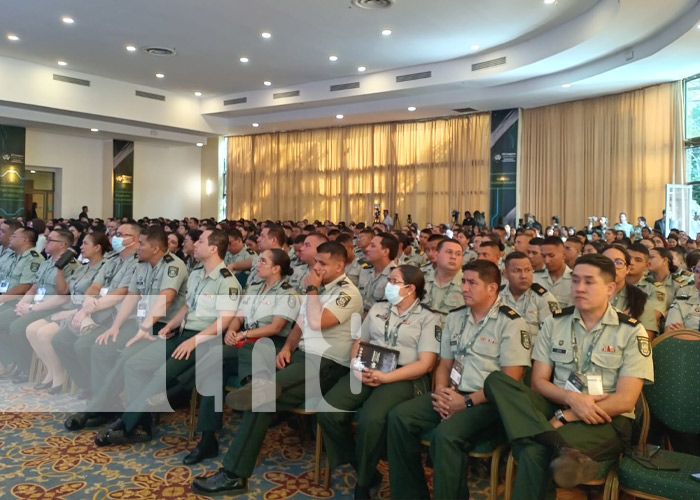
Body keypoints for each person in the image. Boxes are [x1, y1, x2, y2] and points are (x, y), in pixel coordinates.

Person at [192, 241, 363, 495]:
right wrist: (287, 348)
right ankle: (234, 471)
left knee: (262, 398)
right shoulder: (319, 289)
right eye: (315, 262)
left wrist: (312, 289)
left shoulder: (347, 293)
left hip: (325, 364)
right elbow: (300, 324)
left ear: (340, 266)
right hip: (301, 357)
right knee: (263, 398)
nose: (316, 267)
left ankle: (233, 474)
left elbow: (317, 322)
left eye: (323, 264)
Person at [484, 253, 654, 499]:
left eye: (589, 282)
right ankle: (561, 446)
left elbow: (626, 400)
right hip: (556, 404)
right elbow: (538, 382)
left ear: (610, 288)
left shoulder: (630, 331)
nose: (579, 288)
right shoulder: (555, 322)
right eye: (575, 281)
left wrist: (569, 413)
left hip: (605, 418)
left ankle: (547, 441)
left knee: (533, 452)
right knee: (496, 381)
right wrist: (569, 401)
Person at [387, 260, 531, 499]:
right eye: (463, 281)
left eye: (472, 283)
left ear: (492, 288)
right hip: (453, 394)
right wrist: (442, 393)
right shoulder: (456, 317)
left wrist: (465, 403)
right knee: (399, 418)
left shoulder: (512, 323)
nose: (463, 288)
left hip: (489, 403)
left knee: (446, 436)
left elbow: (510, 381)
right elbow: (444, 364)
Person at [96, 229, 241, 446]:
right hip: (182, 335)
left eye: (200, 241)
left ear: (213, 248)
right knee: (135, 364)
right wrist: (171, 325)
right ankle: (142, 423)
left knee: (160, 376)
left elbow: (224, 321)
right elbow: (187, 306)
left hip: (205, 340)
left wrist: (194, 341)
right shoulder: (196, 273)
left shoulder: (227, 281)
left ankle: (126, 424)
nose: (195, 245)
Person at [318, 265, 439, 499]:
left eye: (394, 281)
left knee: (371, 418)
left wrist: (386, 377)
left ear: (410, 288)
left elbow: (425, 364)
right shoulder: (378, 307)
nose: (387, 285)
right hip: (366, 367)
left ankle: (363, 482)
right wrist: (355, 367)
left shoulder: (428, 317)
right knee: (329, 409)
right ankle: (363, 466)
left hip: (403, 375)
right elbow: (359, 341)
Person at [182, 248, 301, 464]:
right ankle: (208, 439)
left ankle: (249, 386)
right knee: (213, 369)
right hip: (244, 342)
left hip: (269, 345)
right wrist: (231, 331)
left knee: (223, 356)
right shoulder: (254, 287)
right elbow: (239, 316)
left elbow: (275, 327)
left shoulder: (288, 294)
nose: (258, 264)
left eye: (263, 261)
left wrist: (243, 334)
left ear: (276, 268)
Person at [54, 223, 141, 404]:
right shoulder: (112, 259)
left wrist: (88, 308)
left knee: (85, 346)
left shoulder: (137, 262)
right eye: (114, 233)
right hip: (99, 312)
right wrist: (89, 299)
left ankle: (105, 399)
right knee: (60, 339)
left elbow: (122, 292)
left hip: (120, 317)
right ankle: (88, 385)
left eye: (120, 234)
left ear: (134, 239)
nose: (114, 237)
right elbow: (95, 284)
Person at [25, 232, 109, 393]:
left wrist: (74, 312)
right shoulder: (83, 267)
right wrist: (60, 269)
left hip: (83, 312)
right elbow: (63, 290)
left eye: (85, 244)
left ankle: (60, 376)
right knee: (31, 329)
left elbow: (95, 297)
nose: (81, 247)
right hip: (70, 308)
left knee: (44, 333)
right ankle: (52, 371)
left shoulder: (104, 268)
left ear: (98, 248)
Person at [0, 228, 75, 382]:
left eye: (50, 240)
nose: (45, 242)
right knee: (10, 320)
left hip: (51, 307)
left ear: (62, 244)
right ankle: (14, 361)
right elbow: (34, 287)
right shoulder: (47, 262)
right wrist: (22, 304)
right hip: (35, 305)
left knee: (17, 326)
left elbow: (63, 296)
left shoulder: (70, 265)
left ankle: (24, 367)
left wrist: (32, 308)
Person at [602, 245, 660, 339]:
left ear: (628, 269)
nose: (612, 267)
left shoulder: (639, 299)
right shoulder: (583, 293)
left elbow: (646, 338)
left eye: (618, 262)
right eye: (606, 261)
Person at [500, 251, 558, 343]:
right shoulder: (496, 297)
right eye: (517, 271)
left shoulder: (544, 298)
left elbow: (552, 336)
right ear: (505, 273)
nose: (523, 276)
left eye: (527, 270)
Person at [422, 239, 465, 324]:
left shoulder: (468, 283)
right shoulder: (421, 279)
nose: (453, 257)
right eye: (449, 252)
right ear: (437, 254)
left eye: (458, 254)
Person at [358, 233, 397, 314]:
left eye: (373, 246)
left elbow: (385, 311)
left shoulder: (395, 276)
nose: (367, 249)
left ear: (385, 252)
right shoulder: (365, 270)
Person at [534, 236, 573, 307]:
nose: (547, 261)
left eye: (551, 256)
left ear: (563, 255)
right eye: (543, 256)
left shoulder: (574, 280)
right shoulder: (535, 279)